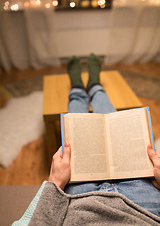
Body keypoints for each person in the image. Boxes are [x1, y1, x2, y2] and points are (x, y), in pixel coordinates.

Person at [13, 54, 160, 226]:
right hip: (144, 203)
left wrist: (54, 183)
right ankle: (95, 87)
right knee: (113, 122)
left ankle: (77, 89)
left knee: (77, 125)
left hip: (81, 201)